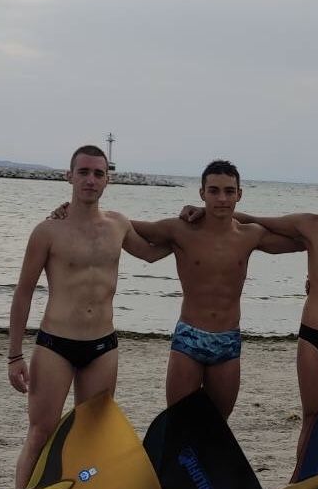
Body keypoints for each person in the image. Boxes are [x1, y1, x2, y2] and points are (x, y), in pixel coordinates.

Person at [185, 152, 318, 473]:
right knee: (314, 417)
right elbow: (255, 221)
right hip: (315, 336)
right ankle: (301, 481)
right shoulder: (310, 224)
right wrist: (204, 212)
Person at [53, 160, 303, 419]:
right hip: (189, 339)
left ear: (239, 194)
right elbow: (122, 227)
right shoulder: (181, 230)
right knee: (178, 423)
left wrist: (247, 217)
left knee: (217, 426)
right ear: (202, 193)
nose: (221, 198)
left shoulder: (250, 234)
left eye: (229, 191)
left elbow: (301, 240)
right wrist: (78, 214)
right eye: (214, 191)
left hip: (227, 341)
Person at [6, 144, 170, 489]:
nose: (90, 180)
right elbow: (23, 293)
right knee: (41, 432)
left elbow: (152, 254)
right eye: (83, 172)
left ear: (108, 180)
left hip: (102, 347)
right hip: (55, 346)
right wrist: (14, 355)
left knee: (92, 435)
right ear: (69, 176)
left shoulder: (118, 225)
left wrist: (195, 228)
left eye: (98, 173)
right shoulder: (48, 231)